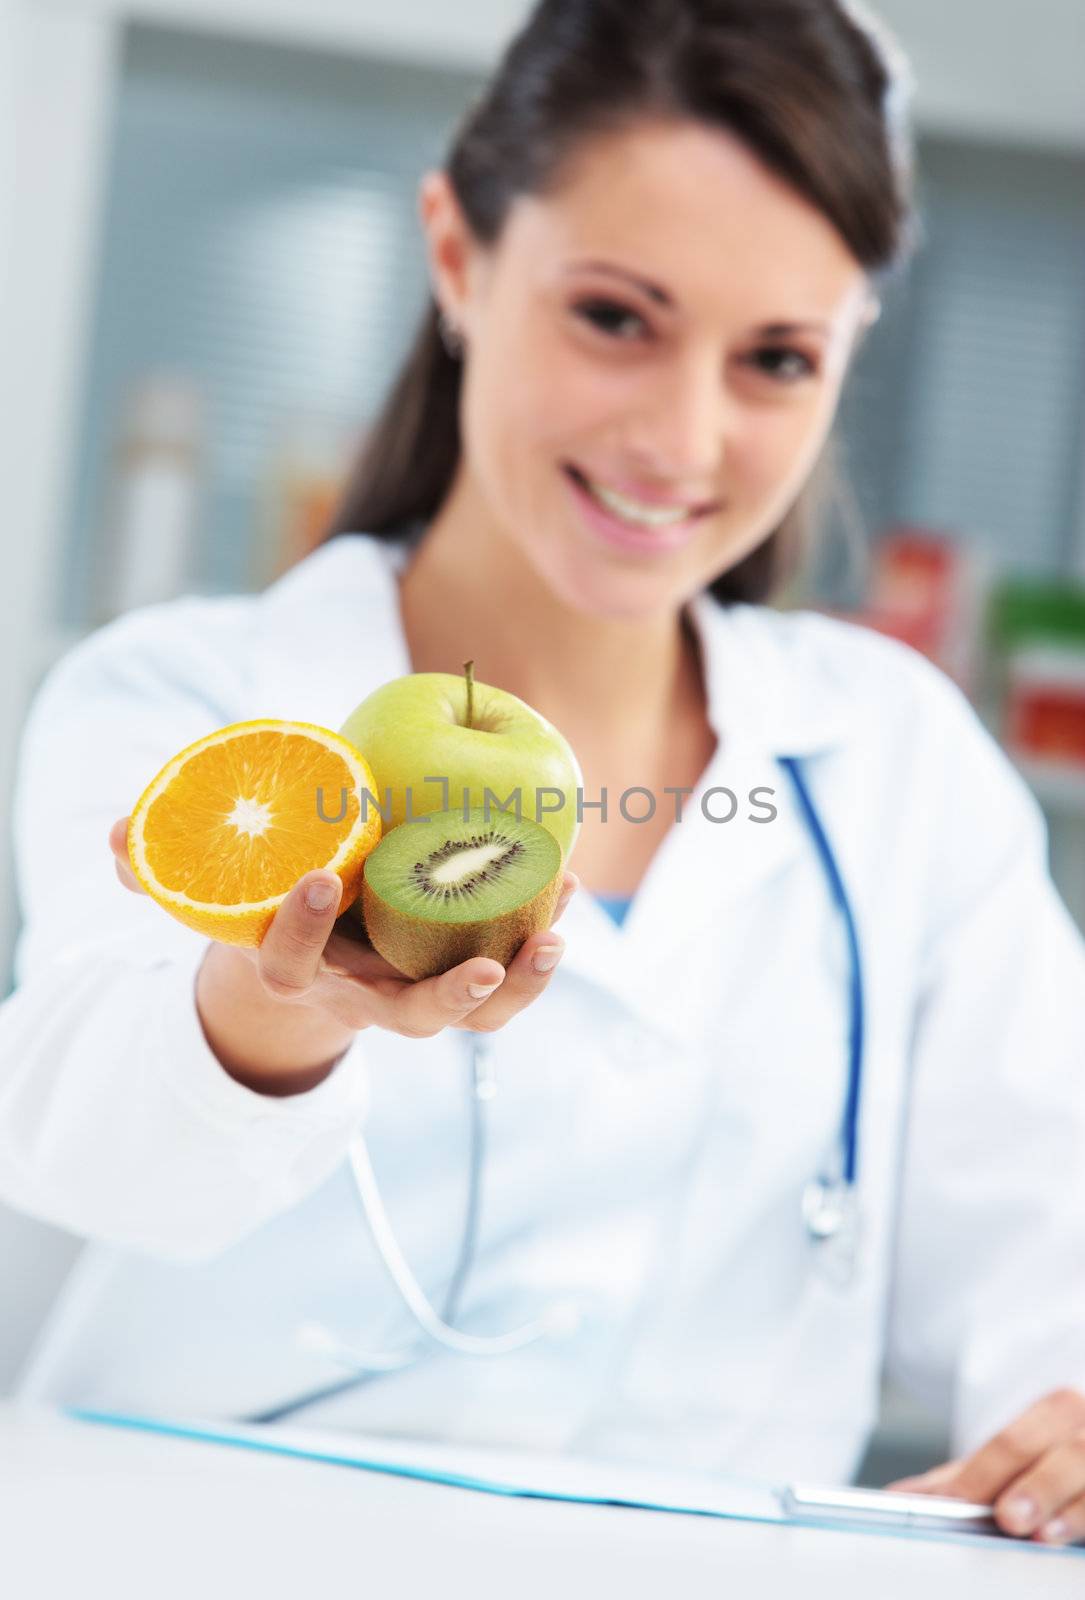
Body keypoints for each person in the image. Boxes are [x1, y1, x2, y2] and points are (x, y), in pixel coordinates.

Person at [3, 0, 1085, 1545]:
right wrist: (272, 1004)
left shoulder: (896, 763)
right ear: (456, 258)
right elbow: (85, 1146)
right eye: (615, 318)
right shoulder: (192, 703)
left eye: (775, 359)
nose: (680, 437)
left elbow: (1044, 1255)